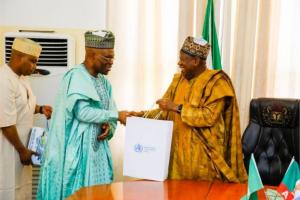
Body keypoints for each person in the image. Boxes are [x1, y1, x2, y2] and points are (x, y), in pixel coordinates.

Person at [132, 36, 247, 183]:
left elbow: (208, 116)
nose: (179, 63)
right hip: (177, 160)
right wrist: (141, 115)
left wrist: (177, 107)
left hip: (204, 162)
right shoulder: (178, 80)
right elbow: (165, 111)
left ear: (196, 61)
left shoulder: (217, 82)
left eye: (183, 59)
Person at [37, 30, 129, 199]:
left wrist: (109, 127)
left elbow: (108, 110)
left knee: (98, 193)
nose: (111, 62)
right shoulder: (76, 76)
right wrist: (116, 116)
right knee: (79, 193)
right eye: (107, 57)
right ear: (91, 54)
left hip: (97, 153)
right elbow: (82, 112)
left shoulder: (104, 82)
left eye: (113, 57)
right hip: (78, 154)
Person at [0, 38, 52, 200]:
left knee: (22, 191)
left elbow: (23, 106)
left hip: (24, 147)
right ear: (18, 56)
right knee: (9, 190)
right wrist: (22, 150)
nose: (35, 67)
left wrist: (40, 109)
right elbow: (5, 122)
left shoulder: (22, 78)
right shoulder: (4, 80)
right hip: (9, 150)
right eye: (32, 61)